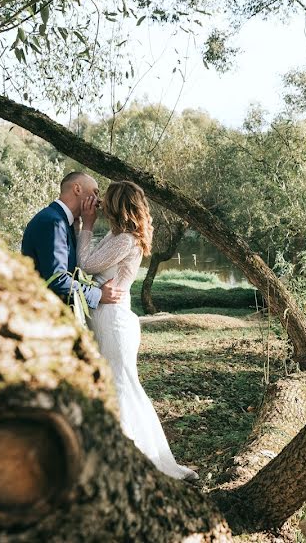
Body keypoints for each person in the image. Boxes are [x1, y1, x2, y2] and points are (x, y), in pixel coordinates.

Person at [76, 180, 199, 481]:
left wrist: (87, 224)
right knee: (121, 387)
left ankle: (132, 461)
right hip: (108, 315)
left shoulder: (126, 240)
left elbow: (86, 263)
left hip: (114, 321)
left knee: (120, 388)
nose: (100, 203)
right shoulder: (118, 235)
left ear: (117, 206)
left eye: (105, 200)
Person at [21, 171, 122, 307]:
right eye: (95, 192)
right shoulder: (53, 223)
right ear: (77, 189)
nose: (98, 200)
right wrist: (98, 295)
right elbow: (58, 279)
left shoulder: (61, 220)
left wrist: (79, 229)